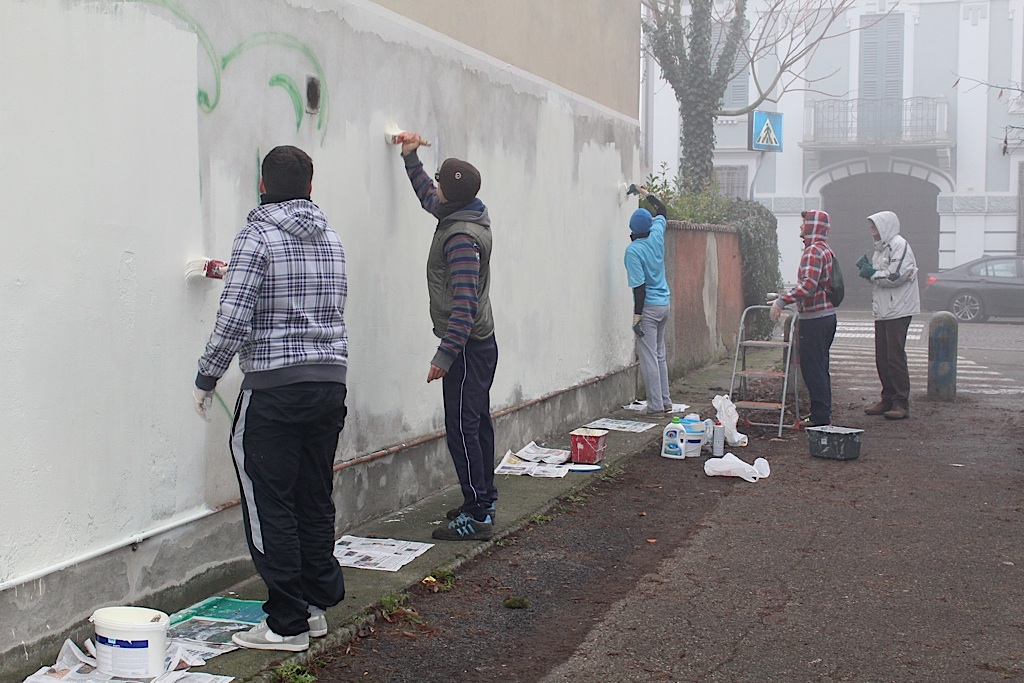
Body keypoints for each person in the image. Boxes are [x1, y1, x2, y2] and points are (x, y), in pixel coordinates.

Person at [192, 145, 349, 652]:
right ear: (309, 186)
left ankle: (286, 624)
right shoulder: (331, 237)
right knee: (312, 495)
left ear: (262, 186)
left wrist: (207, 377)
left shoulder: (257, 236)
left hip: (275, 390)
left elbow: (234, 317)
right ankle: (314, 607)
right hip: (329, 384)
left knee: (269, 503)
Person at [398, 133, 498, 542]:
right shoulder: (464, 212)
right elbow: (429, 197)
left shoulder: (460, 238)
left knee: (462, 429)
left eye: (440, 182)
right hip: (475, 345)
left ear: (451, 193)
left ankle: (478, 515)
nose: (435, 187)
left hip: (468, 348)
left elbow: (464, 305)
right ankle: (483, 498)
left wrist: (444, 355)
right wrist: (410, 158)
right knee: (476, 423)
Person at [769, 210, 838, 427]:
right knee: (820, 367)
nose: (801, 227)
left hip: (815, 319)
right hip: (826, 316)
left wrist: (782, 301)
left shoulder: (813, 251)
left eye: (805, 223)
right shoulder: (825, 249)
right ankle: (821, 414)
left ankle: (820, 418)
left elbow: (808, 285)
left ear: (813, 226)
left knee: (812, 368)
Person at [857, 210, 920, 420]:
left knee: (895, 356)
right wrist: (871, 271)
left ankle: (901, 402)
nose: (872, 231)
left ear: (884, 227)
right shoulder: (882, 248)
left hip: (898, 309)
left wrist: (872, 273)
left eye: (874, 227)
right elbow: (886, 275)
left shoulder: (899, 245)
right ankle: (888, 398)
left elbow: (896, 275)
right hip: (885, 308)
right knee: (883, 357)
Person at [624, 188, 673, 415]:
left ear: (632, 228)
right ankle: (665, 401)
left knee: (649, 357)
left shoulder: (633, 251)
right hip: (664, 305)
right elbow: (662, 209)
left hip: (649, 309)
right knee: (659, 354)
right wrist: (645, 192)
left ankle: (655, 406)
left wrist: (637, 316)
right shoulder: (656, 235)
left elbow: (639, 288)